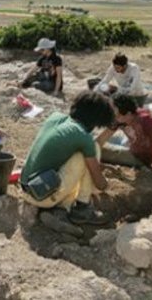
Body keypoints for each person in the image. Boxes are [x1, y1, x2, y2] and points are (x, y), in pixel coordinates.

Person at [19, 90, 115, 225]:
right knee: (91, 150)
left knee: (85, 151)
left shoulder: (55, 117)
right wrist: (106, 185)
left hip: (26, 187)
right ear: (95, 120)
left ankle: (61, 206)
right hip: (41, 197)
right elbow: (100, 183)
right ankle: (82, 208)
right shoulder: (83, 136)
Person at [98, 93, 152, 187]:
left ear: (128, 114)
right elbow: (101, 139)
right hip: (132, 147)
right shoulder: (121, 119)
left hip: (140, 157)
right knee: (93, 144)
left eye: (113, 111)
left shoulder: (147, 121)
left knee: (98, 151)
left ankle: (140, 165)